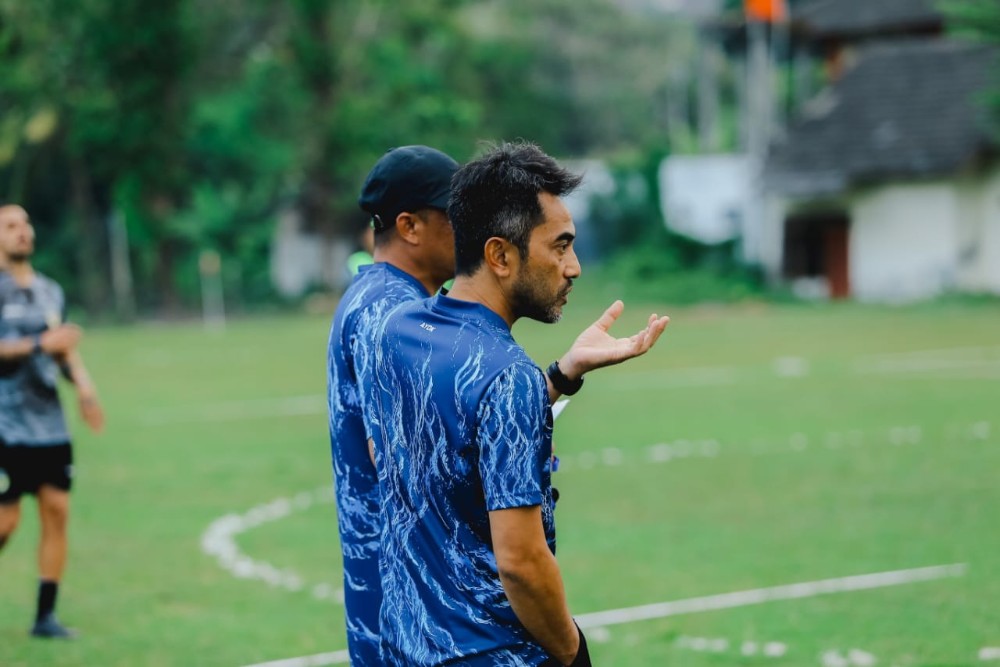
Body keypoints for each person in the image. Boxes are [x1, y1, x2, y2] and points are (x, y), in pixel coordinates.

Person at [366, 142, 670, 666]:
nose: (573, 267)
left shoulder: (396, 333)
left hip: (406, 645)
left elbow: (401, 453)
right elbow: (522, 562)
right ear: (500, 255)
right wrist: (574, 653)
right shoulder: (508, 377)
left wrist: (562, 374)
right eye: (560, 246)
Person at [327, 145, 460, 665]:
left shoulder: (379, 298)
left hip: (395, 591)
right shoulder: (392, 314)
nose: (468, 228)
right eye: (455, 215)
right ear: (409, 226)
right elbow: (408, 455)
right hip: (410, 603)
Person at [0, 204, 105, 639]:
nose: (22, 232)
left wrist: (83, 385)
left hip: (50, 425)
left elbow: (61, 347)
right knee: (6, 523)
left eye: (26, 224)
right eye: (10, 226)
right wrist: (42, 343)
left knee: (57, 512)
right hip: (5, 423)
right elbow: (42, 343)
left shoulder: (49, 290)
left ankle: (45, 618)